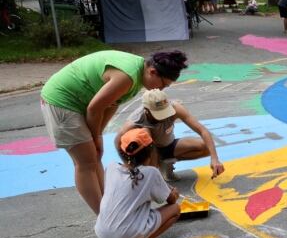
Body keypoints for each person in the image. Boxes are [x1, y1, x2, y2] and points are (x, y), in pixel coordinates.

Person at [40, 50, 189, 214]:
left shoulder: (140, 73)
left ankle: (108, 207)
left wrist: (98, 134)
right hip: (63, 101)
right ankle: (105, 216)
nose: (161, 89)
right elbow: (94, 108)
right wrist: (95, 136)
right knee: (85, 162)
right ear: (152, 72)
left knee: (94, 155)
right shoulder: (127, 76)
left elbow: (111, 104)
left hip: (80, 101)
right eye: (163, 84)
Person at [95, 128, 181, 238]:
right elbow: (171, 201)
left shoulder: (111, 167)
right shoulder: (151, 173)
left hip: (102, 233)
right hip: (125, 234)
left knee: (131, 212)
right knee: (175, 210)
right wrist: (174, 193)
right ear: (150, 153)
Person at [115, 89, 225, 182]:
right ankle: (151, 174)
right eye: (159, 114)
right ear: (147, 111)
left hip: (168, 145)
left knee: (206, 147)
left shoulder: (175, 108)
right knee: (145, 132)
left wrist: (214, 158)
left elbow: (202, 130)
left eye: (165, 111)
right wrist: (130, 166)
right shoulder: (135, 120)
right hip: (148, 152)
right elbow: (117, 141)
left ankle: (165, 162)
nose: (163, 117)